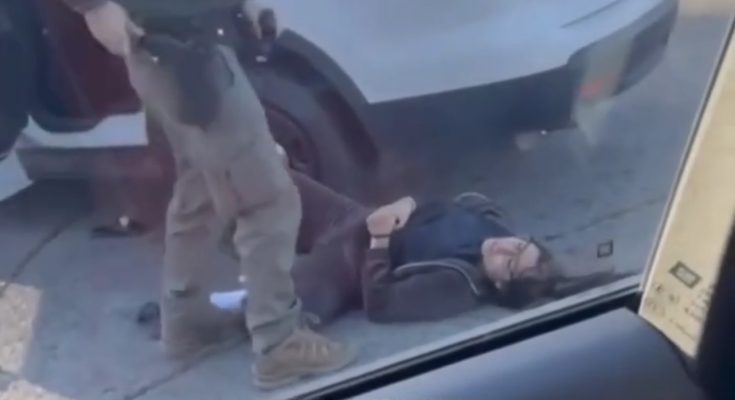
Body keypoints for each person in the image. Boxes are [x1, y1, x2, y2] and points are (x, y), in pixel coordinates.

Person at [61, 0, 354, 390]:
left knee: (199, 185)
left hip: (173, 46)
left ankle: (187, 322)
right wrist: (93, 6)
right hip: (180, 47)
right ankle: (278, 341)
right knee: (267, 198)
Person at [219, 171, 627, 326]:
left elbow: (381, 306)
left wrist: (380, 240)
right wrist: (405, 205)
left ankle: (203, 308)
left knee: (261, 307)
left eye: (509, 263)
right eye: (519, 246)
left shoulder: (457, 285)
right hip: (351, 217)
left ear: (501, 286)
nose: (505, 248)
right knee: (264, 172)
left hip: (343, 269)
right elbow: (446, 204)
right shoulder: (492, 221)